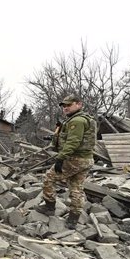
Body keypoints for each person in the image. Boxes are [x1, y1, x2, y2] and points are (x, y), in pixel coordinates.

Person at [36, 94, 97, 229]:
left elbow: (73, 142)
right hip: (86, 159)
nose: (65, 108)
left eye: (69, 105)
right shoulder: (82, 119)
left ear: (79, 104)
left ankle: (49, 208)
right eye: (64, 106)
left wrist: (60, 158)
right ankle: (73, 219)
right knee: (76, 188)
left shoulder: (77, 121)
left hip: (74, 159)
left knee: (48, 178)